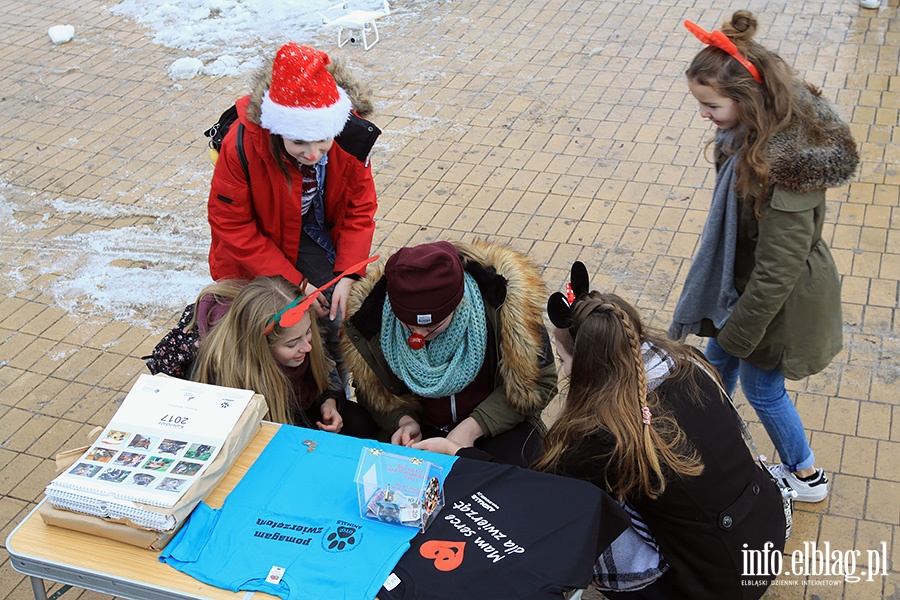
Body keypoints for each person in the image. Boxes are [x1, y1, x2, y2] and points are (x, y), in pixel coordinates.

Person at [419, 281, 787, 599]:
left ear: (589, 365)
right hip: (763, 538)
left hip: (711, 586)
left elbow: (541, 498)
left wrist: (459, 453)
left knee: (584, 518)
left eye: (563, 360)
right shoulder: (687, 365)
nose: (562, 370)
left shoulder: (603, 434)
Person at [669, 11, 858, 502]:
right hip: (753, 289)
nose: (704, 115)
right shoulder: (746, 141)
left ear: (746, 100)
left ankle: (805, 475)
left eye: (710, 105)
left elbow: (780, 268)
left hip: (781, 303)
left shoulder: (786, 165)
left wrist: (741, 331)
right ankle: (703, 440)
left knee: (763, 388)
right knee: (716, 366)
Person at [207, 42, 380, 374]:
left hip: (310, 230)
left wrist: (349, 273)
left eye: (322, 140)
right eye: (299, 142)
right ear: (277, 128)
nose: (313, 153)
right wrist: (298, 285)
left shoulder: (349, 134)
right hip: (257, 246)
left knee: (336, 315)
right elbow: (232, 226)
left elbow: (360, 206)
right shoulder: (243, 144)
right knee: (271, 331)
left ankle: (332, 390)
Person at [341, 240, 557, 467]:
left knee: (519, 474)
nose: (418, 337)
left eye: (431, 327)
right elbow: (371, 390)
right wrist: (403, 421)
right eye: (408, 326)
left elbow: (542, 382)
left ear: (459, 303)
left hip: (494, 424)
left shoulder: (504, 305)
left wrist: (473, 427)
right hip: (423, 430)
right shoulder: (371, 320)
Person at [192, 276, 376, 438]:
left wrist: (329, 403)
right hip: (265, 428)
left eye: (309, 332)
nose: (307, 346)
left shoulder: (300, 332)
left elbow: (327, 371)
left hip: (303, 409)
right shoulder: (230, 375)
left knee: (360, 421)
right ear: (260, 347)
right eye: (291, 344)